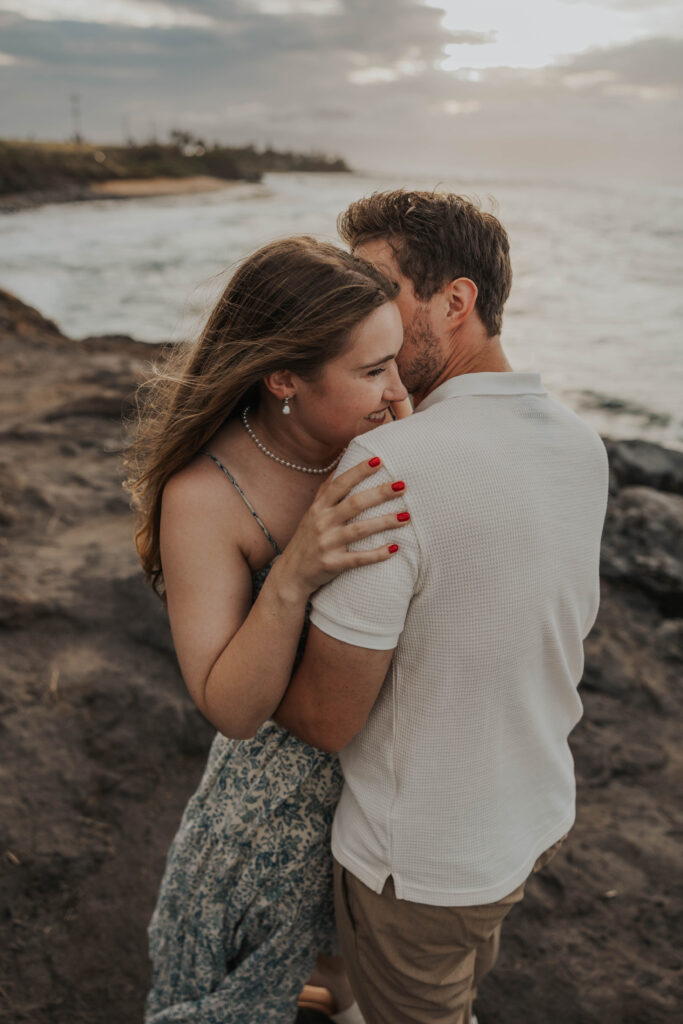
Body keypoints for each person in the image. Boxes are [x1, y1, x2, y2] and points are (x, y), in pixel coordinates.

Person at [274, 190, 610, 1023]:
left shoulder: (388, 464)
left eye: (374, 289)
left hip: (415, 864)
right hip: (522, 821)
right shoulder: (577, 442)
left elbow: (324, 718)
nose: (352, 316)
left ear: (454, 301)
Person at [124, 236, 412, 1023]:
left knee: (343, 991)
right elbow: (231, 709)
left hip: (387, 805)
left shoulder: (386, 439)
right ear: (284, 378)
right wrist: (292, 575)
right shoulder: (204, 496)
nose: (397, 391)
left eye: (398, 359)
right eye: (370, 371)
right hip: (274, 826)